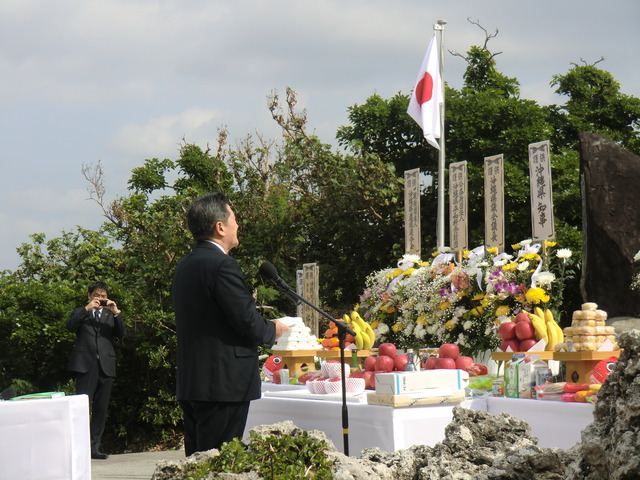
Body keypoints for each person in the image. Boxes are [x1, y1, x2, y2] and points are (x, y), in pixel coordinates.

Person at [172, 192, 288, 456]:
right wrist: (273, 329)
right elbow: (247, 321)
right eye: (234, 218)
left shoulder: (185, 266)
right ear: (220, 226)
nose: (238, 225)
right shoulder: (222, 265)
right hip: (223, 384)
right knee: (220, 461)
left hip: (193, 381)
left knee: (197, 463)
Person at [67, 281, 126, 460]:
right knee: (82, 408)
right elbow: (70, 326)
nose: (100, 299)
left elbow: (122, 333)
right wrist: (86, 309)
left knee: (101, 408)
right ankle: (79, 448)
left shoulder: (110, 316)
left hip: (106, 366)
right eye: (96, 296)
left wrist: (116, 312)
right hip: (86, 365)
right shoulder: (80, 312)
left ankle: (94, 448)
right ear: (89, 295)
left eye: (103, 296)